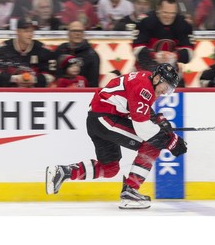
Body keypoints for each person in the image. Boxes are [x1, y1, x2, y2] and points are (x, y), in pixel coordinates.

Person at [45, 63, 187, 209]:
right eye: (166, 87)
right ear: (157, 78)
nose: (165, 92)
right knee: (153, 143)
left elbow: (138, 106)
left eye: (169, 89)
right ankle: (130, 192)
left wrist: (159, 122)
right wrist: (172, 140)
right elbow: (144, 130)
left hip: (99, 119)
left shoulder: (146, 79)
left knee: (109, 168)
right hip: (105, 119)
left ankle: (64, 172)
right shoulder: (145, 88)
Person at [132, 0, 194, 86]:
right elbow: (136, 50)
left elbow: (189, 53)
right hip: (143, 72)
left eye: (172, 13)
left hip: (171, 75)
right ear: (158, 10)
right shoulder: (145, 21)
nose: (169, 16)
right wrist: (154, 55)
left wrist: (175, 56)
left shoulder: (183, 24)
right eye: (165, 12)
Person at [0, 17, 56, 87]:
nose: (30, 35)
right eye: (26, 31)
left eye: (32, 31)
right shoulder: (1, 49)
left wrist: (34, 79)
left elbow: (52, 74)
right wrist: (14, 79)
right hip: (8, 92)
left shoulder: (44, 50)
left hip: (35, 92)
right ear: (17, 32)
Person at [54, 21, 100, 87]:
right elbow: (56, 74)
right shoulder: (60, 50)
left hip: (83, 92)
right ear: (68, 33)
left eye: (80, 31)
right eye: (74, 31)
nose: (77, 34)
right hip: (62, 91)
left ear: (84, 34)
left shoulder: (92, 55)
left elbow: (93, 82)